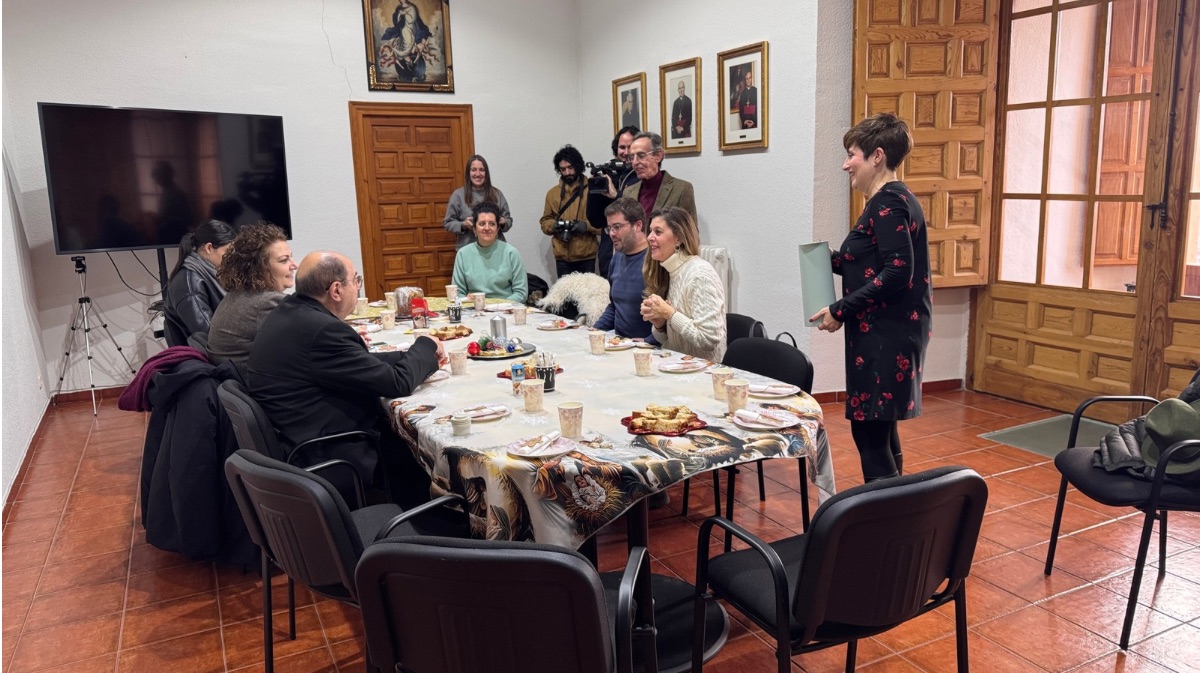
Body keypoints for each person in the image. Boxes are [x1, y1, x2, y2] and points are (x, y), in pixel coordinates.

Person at [247, 251, 447, 505]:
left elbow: (359, 365)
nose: (359, 287)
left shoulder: (292, 312)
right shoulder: (323, 331)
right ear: (336, 290)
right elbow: (397, 384)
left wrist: (408, 356)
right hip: (333, 455)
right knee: (423, 445)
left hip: (299, 439)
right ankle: (439, 524)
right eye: (357, 280)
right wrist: (425, 345)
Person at [808, 112, 932, 483]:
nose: (846, 164)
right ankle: (896, 510)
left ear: (877, 156)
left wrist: (839, 310)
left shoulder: (887, 204)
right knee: (881, 428)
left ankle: (884, 524)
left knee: (870, 432)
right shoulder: (892, 199)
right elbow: (866, 263)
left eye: (852, 154)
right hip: (887, 332)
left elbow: (897, 271)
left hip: (886, 335)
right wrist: (815, 259)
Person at [207, 222, 298, 378]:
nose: (294, 265)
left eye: (291, 258)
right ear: (259, 267)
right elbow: (312, 347)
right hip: (271, 392)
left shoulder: (237, 296)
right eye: (284, 260)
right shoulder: (267, 303)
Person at [639, 207, 726, 361]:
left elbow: (709, 340)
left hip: (703, 375)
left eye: (658, 232)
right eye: (650, 231)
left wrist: (669, 314)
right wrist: (660, 325)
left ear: (678, 238)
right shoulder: (670, 272)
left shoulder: (699, 274)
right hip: (677, 365)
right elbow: (669, 342)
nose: (650, 237)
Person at [164, 219, 235, 345]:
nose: (231, 258)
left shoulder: (211, 274)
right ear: (209, 248)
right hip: (202, 357)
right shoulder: (189, 285)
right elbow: (211, 336)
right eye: (228, 252)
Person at [592, 198, 653, 339]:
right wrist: (594, 331)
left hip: (648, 348)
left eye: (617, 227)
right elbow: (615, 307)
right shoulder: (617, 258)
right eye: (610, 228)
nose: (612, 233)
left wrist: (648, 341)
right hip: (620, 343)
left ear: (637, 225)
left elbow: (668, 315)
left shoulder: (655, 261)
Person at [588, 125, 641, 278]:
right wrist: (595, 191)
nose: (625, 152)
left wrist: (615, 195)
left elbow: (640, 213)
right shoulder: (608, 173)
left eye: (629, 147)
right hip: (608, 250)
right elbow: (595, 220)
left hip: (635, 249)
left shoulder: (641, 176)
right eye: (621, 147)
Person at [539, 145, 599, 278]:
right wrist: (554, 225)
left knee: (585, 297)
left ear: (578, 166)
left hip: (586, 256)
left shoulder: (592, 190)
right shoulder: (552, 194)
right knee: (565, 298)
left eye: (570, 168)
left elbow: (604, 225)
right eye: (562, 169)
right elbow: (544, 222)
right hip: (562, 257)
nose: (567, 173)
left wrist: (586, 226)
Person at [451, 202, 527, 303]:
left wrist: (497, 306)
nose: (487, 228)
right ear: (474, 229)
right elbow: (458, 293)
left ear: (497, 229)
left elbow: (521, 293)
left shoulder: (511, 253)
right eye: (482, 224)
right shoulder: (463, 254)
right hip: (474, 310)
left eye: (492, 224)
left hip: (505, 310)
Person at [622, 132, 698, 225]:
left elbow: (690, 233)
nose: (635, 162)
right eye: (631, 157)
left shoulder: (681, 189)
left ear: (658, 155)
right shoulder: (628, 192)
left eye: (641, 156)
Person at [443, 155, 513, 249]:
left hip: (495, 249)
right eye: (473, 170)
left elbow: (509, 220)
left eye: (481, 170)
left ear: (486, 173)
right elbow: (447, 223)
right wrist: (463, 224)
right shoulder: (458, 195)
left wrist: (503, 221)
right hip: (468, 248)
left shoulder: (497, 194)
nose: (478, 173)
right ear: (468, 173)